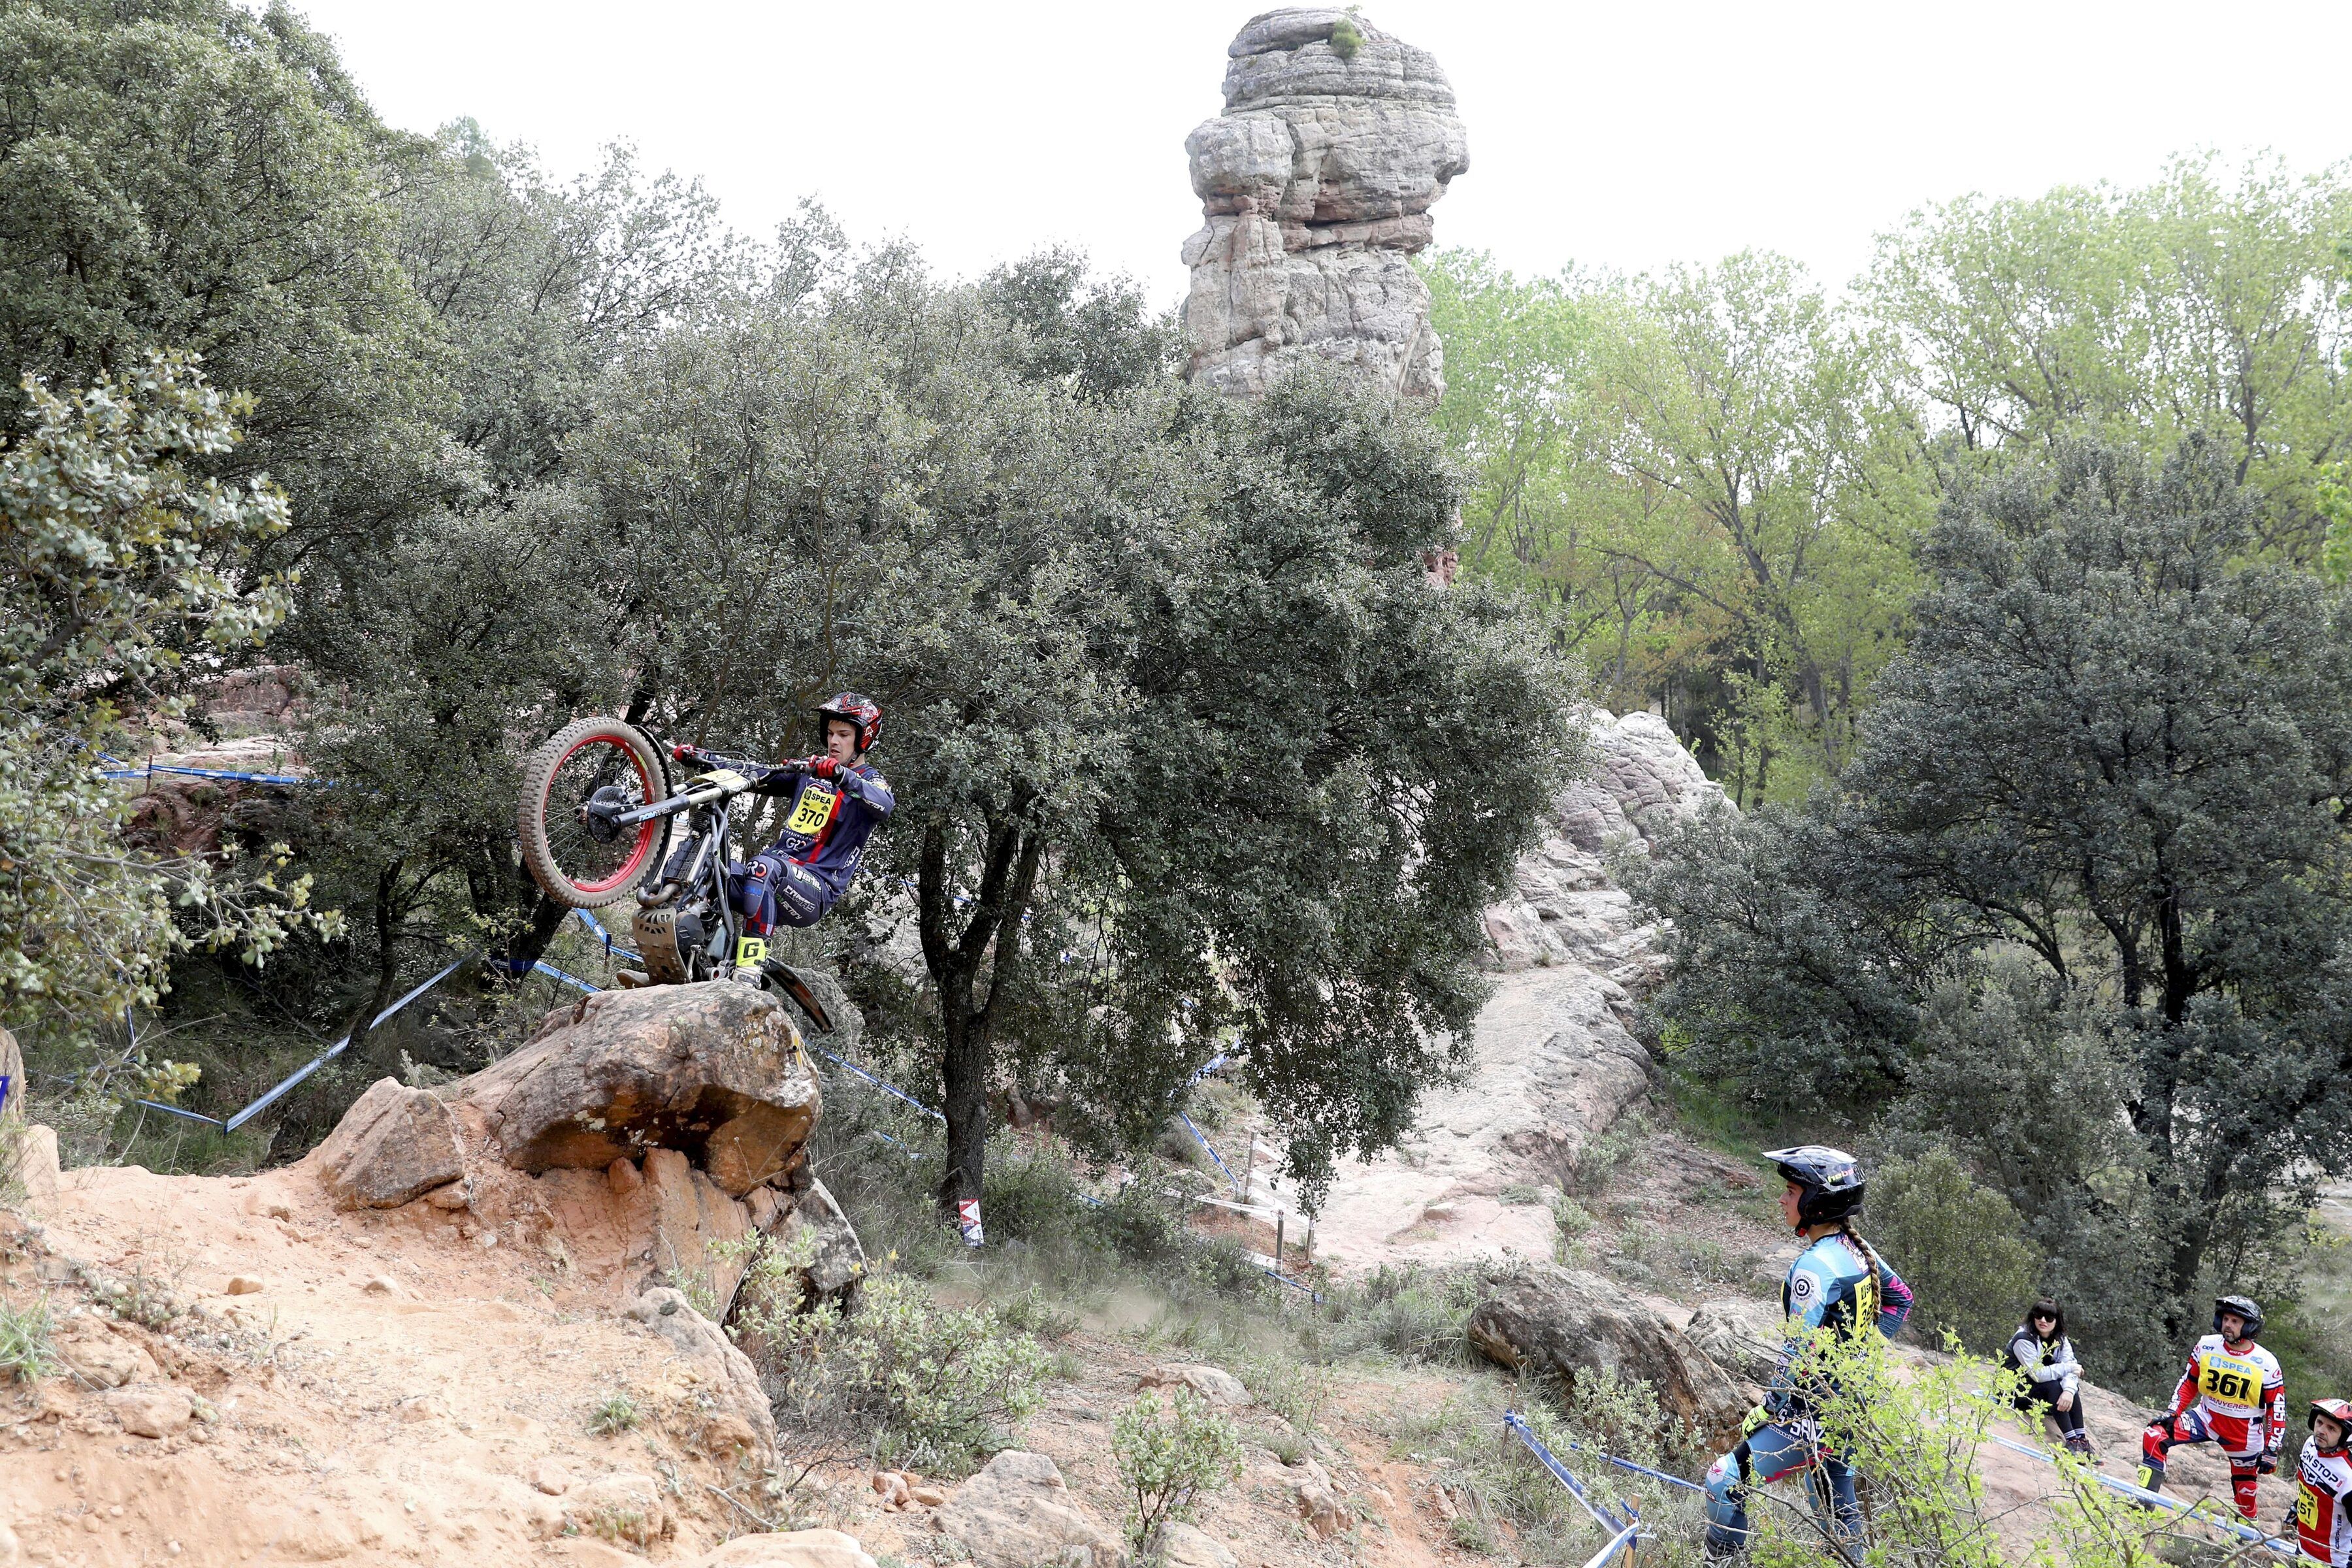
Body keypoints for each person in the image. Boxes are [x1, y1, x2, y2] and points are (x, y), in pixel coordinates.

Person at [1701, 1147, 1915, 1562]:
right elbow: (1900, 1299)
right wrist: (1861, 1360)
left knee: (1722, 1480)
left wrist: (1769, 1406)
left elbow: (1796, 1351)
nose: (1782, 1200)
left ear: (1816, 1201)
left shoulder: (1815, 1268)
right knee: (1833, 1506)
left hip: (1812, 1412)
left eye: (1791, 1190)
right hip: (1849, 1405)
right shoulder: (1856, 1248)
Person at [670, 693, 894, 960]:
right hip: (768, 877)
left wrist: (842, 776)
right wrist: (705, 758)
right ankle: (680, 960)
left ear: (863, 739)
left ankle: (750, 967)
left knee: (763, 866)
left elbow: (884, 803)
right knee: (704, 867)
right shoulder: (813, 771)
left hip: (815, 890)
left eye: (843, 735)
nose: (833, 741)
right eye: (831, 733)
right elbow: (757, 772)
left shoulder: (871, 782)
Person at [2138, 1293, 2286, 1522]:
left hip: (2243, 1433)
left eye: (2235, 1321)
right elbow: (2190, 1381)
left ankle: (2245, 1538)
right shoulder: (2206, 1344)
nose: (2228, 1325)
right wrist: (2172, 1412)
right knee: (2154, 1435)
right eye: (2226, 1319)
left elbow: (2276, 1408)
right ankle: (2144, 1504)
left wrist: (2271, 1449)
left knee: (2245, 1492)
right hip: (2205, 1418)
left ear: (2249, 1327)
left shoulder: (2266, 1362)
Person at [2005, 1298, 2093, 1456]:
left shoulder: (2061, 1340)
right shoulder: (2023, 1339)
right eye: (2039, 1316)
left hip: (2038, 1393)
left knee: (2070, 1388)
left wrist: (2068, 1391)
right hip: (2014, 1392)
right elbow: (2038, 1374)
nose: (2043, 1321)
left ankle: (2081, 1440)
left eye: (2049, 1318)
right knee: (2053, 1385)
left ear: (2056, 1321)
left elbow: (2070, 1371)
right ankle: (2071, 1441)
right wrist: (2069, 1368)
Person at [2288, 1398, 2352, 1567]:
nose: (2322, 1431)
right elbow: (2310, 1484)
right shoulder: (2310, 1444)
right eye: (2320, 1422)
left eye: (2331, 1428)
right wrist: (2298, 1506)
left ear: (2344, 1436)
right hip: (2303, 1548)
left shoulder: (2348, 1476)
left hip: (2332, 1561)